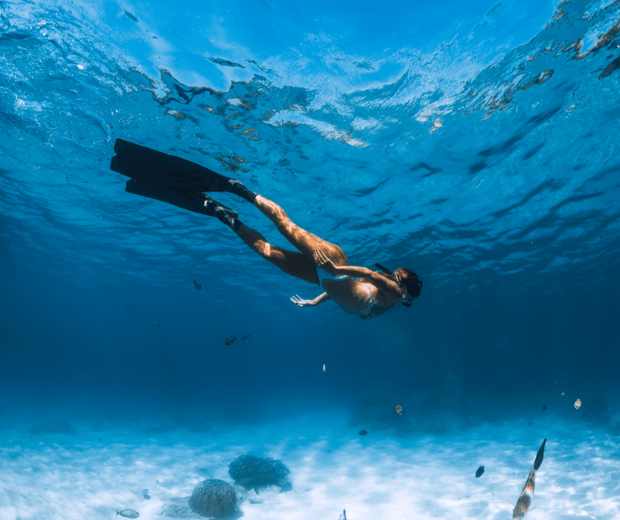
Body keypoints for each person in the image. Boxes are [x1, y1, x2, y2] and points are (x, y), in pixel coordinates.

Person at [110, 139, 422, 319]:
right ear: (407, 291)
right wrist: (339, 268)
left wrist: (314, 301)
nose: (407, 303)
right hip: (334, 268)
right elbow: (367, 275)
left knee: (269, 253)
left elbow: (345, 293)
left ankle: (227, 216)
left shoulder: (388, 295)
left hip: (323, 280)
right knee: (286, 227)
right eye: (410, 298)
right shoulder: (394, 293)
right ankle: (239, 190)